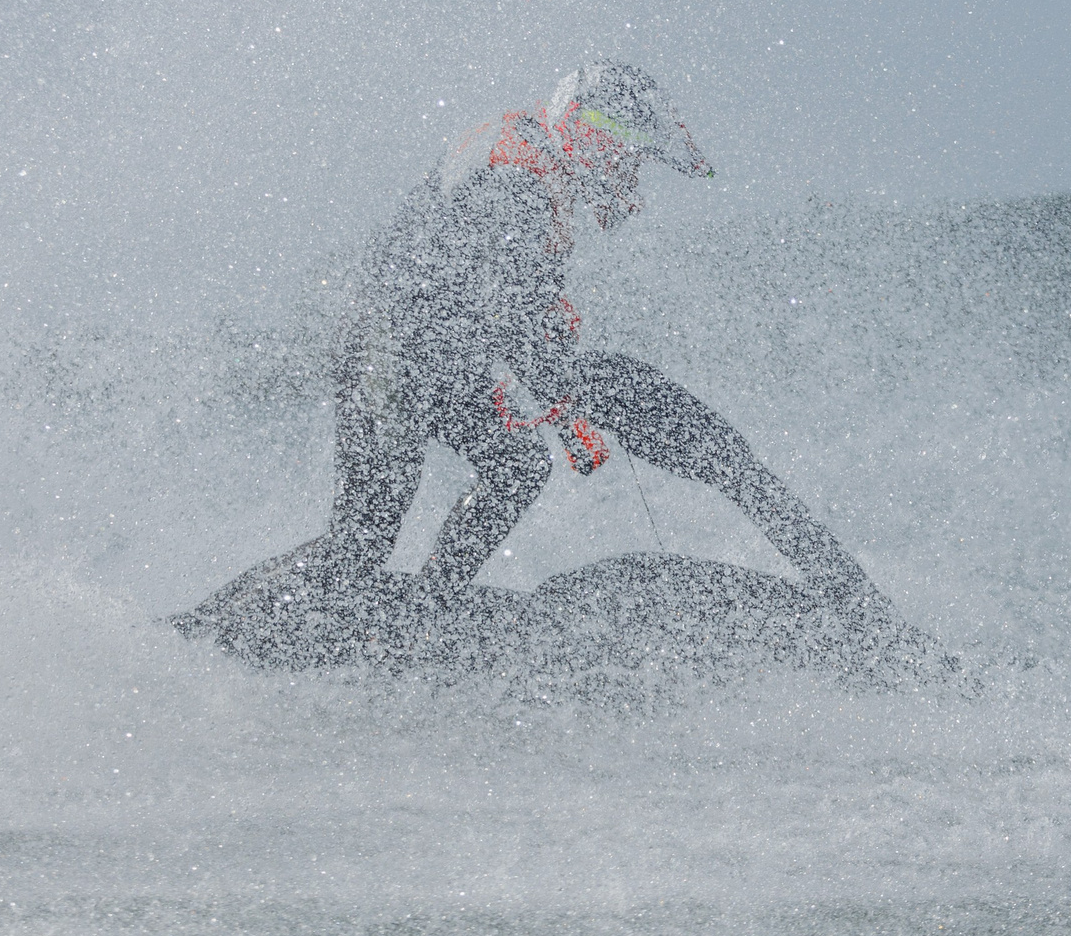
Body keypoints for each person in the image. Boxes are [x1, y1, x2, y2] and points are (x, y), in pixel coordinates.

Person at [182, 62, 891, 632]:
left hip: (436, 353)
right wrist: (568, 402)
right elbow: (508, 311)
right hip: (389, 352)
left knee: (517, 465)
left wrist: (555, 372)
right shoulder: (522, 182)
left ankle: (430, 612)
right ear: (597, 139)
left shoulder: (534, 162)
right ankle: (208, 630)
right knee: (359, 542)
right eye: (631, 163)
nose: (633, 186)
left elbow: (503, 296)